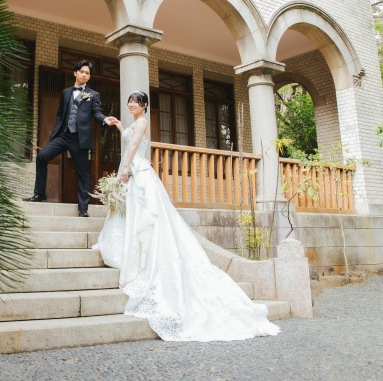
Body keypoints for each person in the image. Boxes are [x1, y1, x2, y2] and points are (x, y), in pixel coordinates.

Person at [95, 91, 280, 341]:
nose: (131, 104)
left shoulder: (142, 122)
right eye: (129, 101)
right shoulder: (133, 123)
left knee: (144, 216)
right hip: (134, 171)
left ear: (145, 106)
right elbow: (129, 140)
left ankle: (140, 257)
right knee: (131, 214)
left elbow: (136, 146)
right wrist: (119, 126)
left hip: (137, 172)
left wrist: (125, 170)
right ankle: (128, 250)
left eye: (136, 102)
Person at [24, 60, 118, 217]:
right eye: (82, 71)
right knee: (42, 157)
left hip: (79, 139)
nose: (84, 74)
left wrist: (104, 119)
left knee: (83, 172)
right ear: (75, 73)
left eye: (87, 73)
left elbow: (96, 112)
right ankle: (39, 194)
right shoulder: (66, 92)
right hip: (62, 135)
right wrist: (57, 130)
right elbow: (61, 112)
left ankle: (83, 208)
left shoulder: (93, 95)